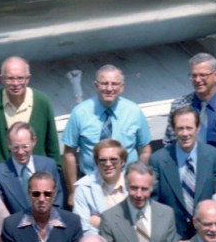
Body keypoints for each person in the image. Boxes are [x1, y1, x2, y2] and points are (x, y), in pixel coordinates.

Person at [64, 65, 154, 195]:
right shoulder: (80, 113)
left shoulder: (134, 111)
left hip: (127, 186)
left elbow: (145, 149)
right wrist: (73, 191)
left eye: (114, 84)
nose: (109, 88)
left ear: (122, 87)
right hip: (91, 185)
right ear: (96, 85)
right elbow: (69, 153)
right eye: (104, 84)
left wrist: (140, 180)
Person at [96, 163, 177, 242]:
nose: (139, 194)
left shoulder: (167, 214)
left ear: (152, 188)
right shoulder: (109, 219)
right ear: (126, 186)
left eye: (144, 189)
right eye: (134, 188)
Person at [0, 55, 60, 171]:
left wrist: (55, 173)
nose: (15, 83)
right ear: (2, 79)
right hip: (1, 180)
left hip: (39, 179)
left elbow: (52, 146)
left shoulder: (42, 102)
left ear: (28, 78)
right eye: (10, 78)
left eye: (20, 78)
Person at [171, 52, 216, 183]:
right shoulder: (178, 106)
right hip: (184, 179)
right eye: (194, 76)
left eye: (203, 75)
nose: (198, 80)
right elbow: (170, 143)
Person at [153, 104, 216, 234]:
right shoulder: (158, 160)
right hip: (172, 236)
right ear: (173, 130)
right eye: (180, 128)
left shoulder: (212, 155)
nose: (185, 133)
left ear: (198, 128)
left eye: (189, 128)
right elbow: (153, 205)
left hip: (207, 234)